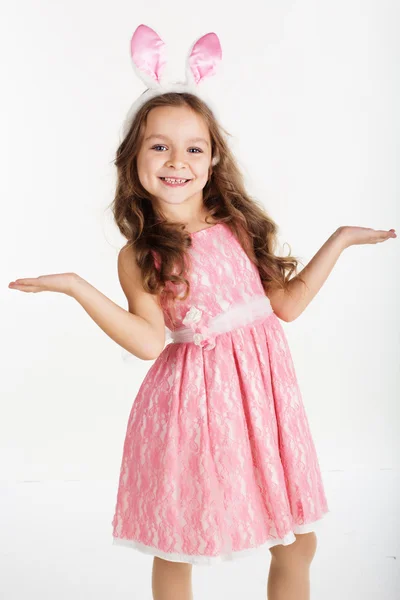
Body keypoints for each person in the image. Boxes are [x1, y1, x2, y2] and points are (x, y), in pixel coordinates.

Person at [8, 24, 396, 600]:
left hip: (263, 398)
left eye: (194, 148)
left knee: (297, 540)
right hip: (196, 404)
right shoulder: (142, 253)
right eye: (158, 146)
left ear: (213, 160)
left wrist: (337, 240)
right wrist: (75, 287)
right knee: (180, 543)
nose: (176, 161)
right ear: (133, 159)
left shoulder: (236, 227)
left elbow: (282, 307)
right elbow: (147, 342)